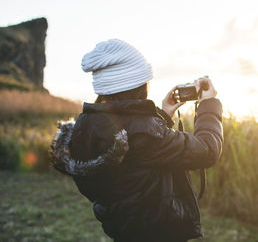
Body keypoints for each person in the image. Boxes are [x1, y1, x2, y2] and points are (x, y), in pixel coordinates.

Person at [50, 39, 223, 241]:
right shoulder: (143, 134)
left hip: (124, 231)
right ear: (138, 85)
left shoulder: (87, 125)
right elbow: (208, 150)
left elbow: (138, 156)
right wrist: (209, 105)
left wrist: (163, 115)